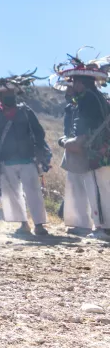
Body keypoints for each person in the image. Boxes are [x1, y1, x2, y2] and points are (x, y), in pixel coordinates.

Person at [0, 72, 52, 236]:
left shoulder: (26, 111)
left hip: (28, 158)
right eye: (6, 94)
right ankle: (23, 224)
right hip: (6, 161)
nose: (9, 96)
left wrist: (40, 151)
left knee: (34, 191)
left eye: (11, 93)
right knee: (13, 194)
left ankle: (39, 224)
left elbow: (38, 132)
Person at [55, 54, 110, 238]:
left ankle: (102, 228)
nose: (73, 86)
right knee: (104, 188)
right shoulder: (99, 97)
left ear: (81, 83)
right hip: (104, 149)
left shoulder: (86, 98)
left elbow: (83, 128)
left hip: (96, 151)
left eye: (74, 82)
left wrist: (68, 142)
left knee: (96, 189)